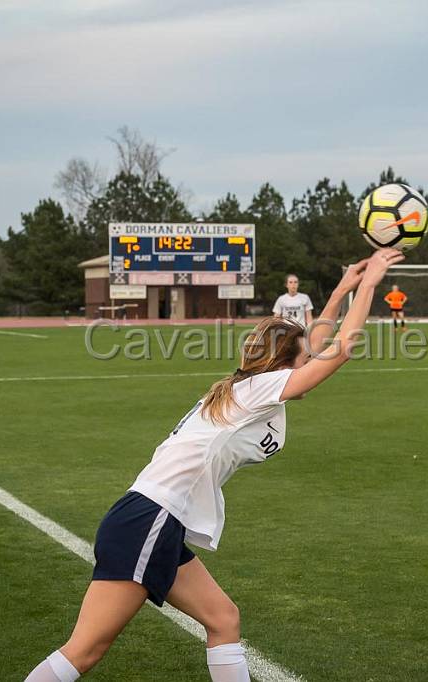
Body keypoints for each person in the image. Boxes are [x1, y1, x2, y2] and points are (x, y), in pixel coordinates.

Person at [24, 249, 406, 682]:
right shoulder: (258, 390)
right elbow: (337, 353)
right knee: (86, 651)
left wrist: (342, 289)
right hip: (151, 517)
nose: (310, 364)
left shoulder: (252, 386)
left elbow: (316, 346)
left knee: (223, 619)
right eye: (303, 361)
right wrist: (371, 283)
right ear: (282, 365)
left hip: (156, 520)